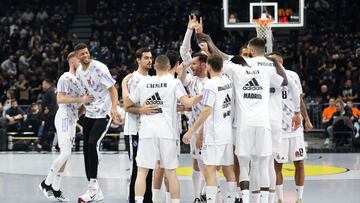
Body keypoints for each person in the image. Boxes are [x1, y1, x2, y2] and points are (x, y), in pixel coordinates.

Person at [122, 55, 203, 203]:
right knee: (171, 172)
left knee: (142, 171)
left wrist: (123, 86)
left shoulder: (144, 82)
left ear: (154, 66)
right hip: (167, 133)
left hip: (147, 132)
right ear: (168, 67)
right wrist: (203, 95)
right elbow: (188, 103)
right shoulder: (174, 83)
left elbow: (127, 104)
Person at [222, 37, 287, 203]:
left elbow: (220, 58)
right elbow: (284, 82)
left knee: (244, 166)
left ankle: (244, 199)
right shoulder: (267, 69)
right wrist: (275, 63)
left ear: (250, 50)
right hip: (263, 124)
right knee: (264, 165)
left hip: (244, 125)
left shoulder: (236, 70)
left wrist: (207, 40)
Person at [39, 51, 93, 202]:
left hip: (72, 119)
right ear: (72, 61)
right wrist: (81, 98)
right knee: (66, 153)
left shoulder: (81, 80)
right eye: (80, 58)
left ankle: (55, 189)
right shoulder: (65, 77)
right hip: (63, 117)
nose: (83, 60)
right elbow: (60, 99)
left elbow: (81, 105)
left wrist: (83, 106)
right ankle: (46, 183)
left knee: (66, 156)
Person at [183, 54, 236, 203]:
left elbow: (206, 110)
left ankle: (211, 200)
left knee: (209, 168)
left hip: (214, 134)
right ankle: (231, 199)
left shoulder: (210, 85)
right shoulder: (227, 80)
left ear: (208, 66)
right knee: (228, 168)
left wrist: (191, 130)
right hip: (227, 132)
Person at [74, 43, 120, 202]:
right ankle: (93, 187)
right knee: (86, 147)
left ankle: (93, 187)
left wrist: (114, 108)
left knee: (93, 143)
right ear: (77, 57)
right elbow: (85, 91)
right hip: (90, 112)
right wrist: (81, 106)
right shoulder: (79, 72)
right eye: (82, 54)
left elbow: (113, 89)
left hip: (104, 113)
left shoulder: (100, 67)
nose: (85, 56)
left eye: (87, 52)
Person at [269, 53, 312, 203]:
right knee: (277, 166)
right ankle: (279, 199)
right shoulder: (268, 76)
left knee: (299, 163)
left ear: (281, 61)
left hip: (295, 128)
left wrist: (306, 119)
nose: (275, 60)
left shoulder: (293, 76)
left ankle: (299, 198)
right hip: (277, 129)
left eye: (276, 58)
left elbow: (299, 98)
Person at [179, 15, 209, 203]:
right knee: (197, 163)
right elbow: (184, 52)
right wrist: (190, 30)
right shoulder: (192, 79)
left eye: (195, 63)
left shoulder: (213, 80)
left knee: (211, 164)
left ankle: (207, 193)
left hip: (210, 127)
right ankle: (198, 196)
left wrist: (201, 35)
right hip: (194, 126)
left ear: (204, 64)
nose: (192, 65)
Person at [123, 48, 157, 203]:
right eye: (146, 58)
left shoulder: (152, 79)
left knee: (149, 167)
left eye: (151, 58)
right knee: (136, 168)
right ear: (138, 60)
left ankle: (147, 199)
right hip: (134, 130)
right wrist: (142, 110)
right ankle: (133, 200)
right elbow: (127, 107)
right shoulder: (133, 79)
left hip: (148, 130)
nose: (149, 61)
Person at [37, 79, 58, 151]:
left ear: (46, 84)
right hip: (52, 113)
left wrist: (48, 108)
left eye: (43, 84)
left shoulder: (50, 91)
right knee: (57, 130)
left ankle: (40, 144)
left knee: (46, 129)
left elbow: (54, 101)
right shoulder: (50, 91)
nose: (42, 86)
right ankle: (61, 144)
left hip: (51, 114)